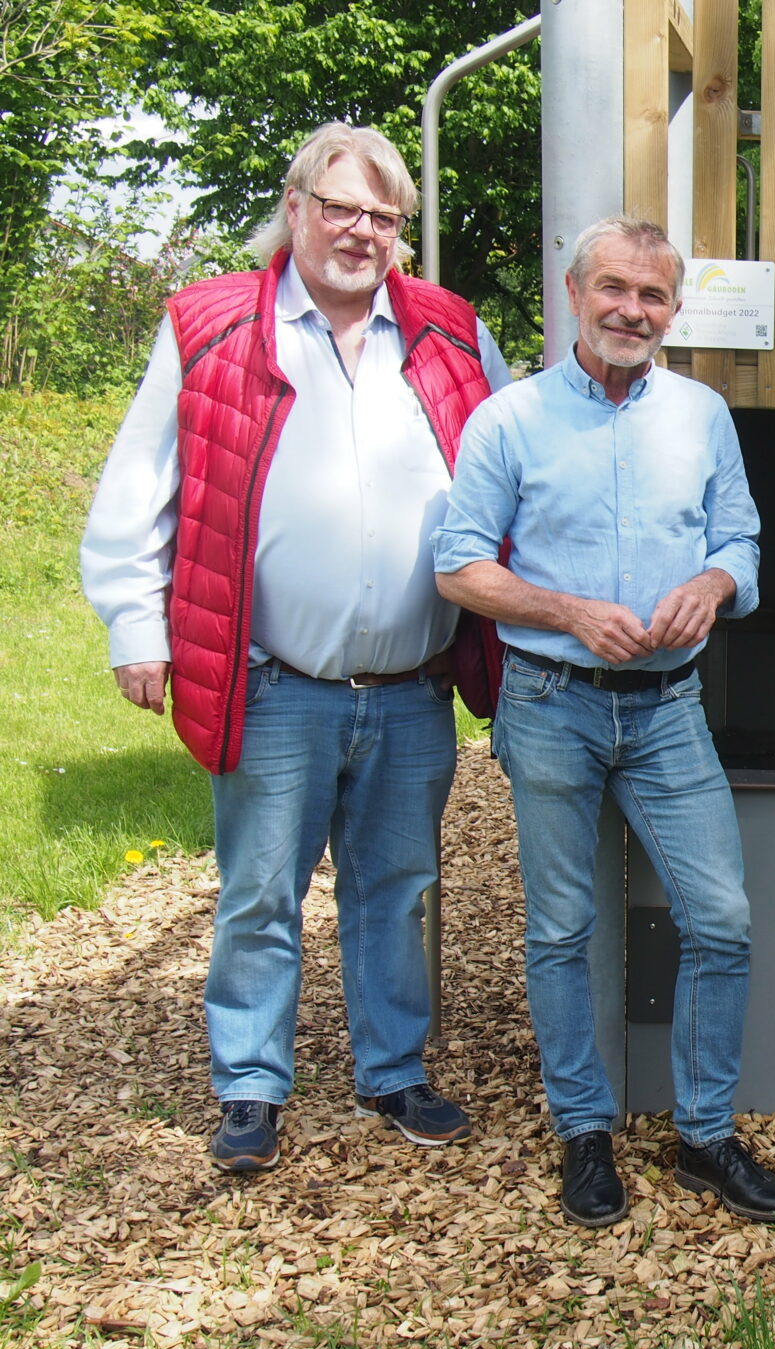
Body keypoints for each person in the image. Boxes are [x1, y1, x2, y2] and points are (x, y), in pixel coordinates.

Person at [80, 123, 512, 1172]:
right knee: (261, 890)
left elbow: (510, 473)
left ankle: (394, 1071)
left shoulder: (452, 334)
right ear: (296, 206)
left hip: (412, 688)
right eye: (341, 207)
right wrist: (137, 627)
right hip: (277, 681)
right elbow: (141, 487)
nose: (360, 231)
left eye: (383, 216)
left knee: (396, 885)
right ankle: (250, 1085)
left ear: (401, 233)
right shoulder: (215, 325)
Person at [433, 216, 775, 1229]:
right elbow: (457, 563)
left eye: (653, 296)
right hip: (549, 704)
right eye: (615, 290)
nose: (633, 311)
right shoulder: (509, 421)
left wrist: (717, 582)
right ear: (573, 292)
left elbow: (743, 537)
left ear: (674, 309)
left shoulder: (702, 414)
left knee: (719, 918)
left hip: (670, 709)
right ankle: (582, 1131)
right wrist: (568, 611)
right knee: (561, 928)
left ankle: (705, 1137)